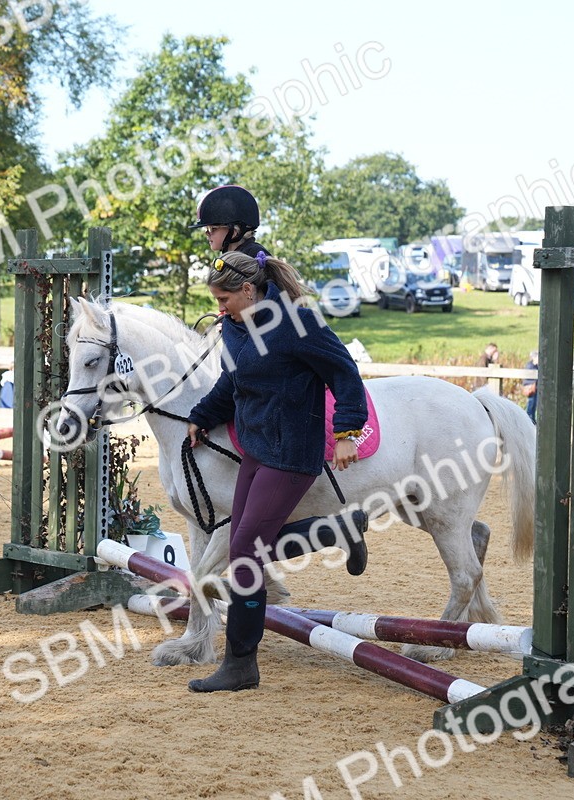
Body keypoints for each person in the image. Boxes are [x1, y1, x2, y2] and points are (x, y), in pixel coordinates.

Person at [184, 250, 368, 693]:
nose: (220, 308)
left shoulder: (298, 323)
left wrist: (346, 432)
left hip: (293, 450)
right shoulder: (233, 324)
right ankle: (337, 531)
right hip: (257, 445)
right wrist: (203, 414)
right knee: (246, 545)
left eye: (225, 298)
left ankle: (241, 664)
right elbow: (234, 378)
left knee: (244, 553)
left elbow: (344, 372)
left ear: (249, 289)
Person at [188, 185, 271, 260]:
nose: (207, 233)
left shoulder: (253, 258)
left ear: (234, 232)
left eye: (213, 228)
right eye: (207, 229)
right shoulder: (233, 257)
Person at [522, 350, 539, 423]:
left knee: (534, 404)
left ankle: (532, 419)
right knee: (531, 404)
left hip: (535, 388)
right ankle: (529, 419)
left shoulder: (535, 366)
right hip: (531, 388)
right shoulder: (530, 366)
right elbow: (528, 378)